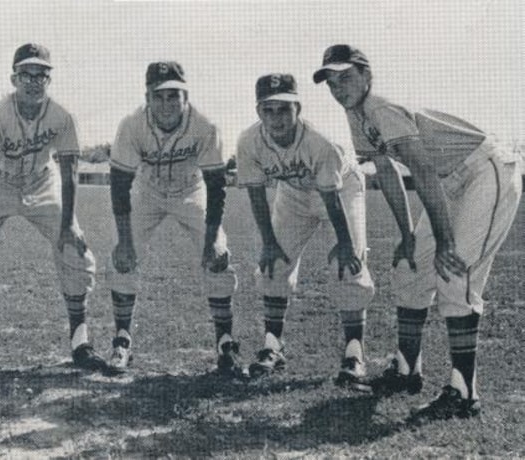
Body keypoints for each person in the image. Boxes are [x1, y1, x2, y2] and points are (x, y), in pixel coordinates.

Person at [314, 44, 522, 422]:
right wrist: (408, 234)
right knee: (410, 269)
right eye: (330, 81)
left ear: (366, 74)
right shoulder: (356, 113)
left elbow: (422, 171)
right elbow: (388, 173)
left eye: (345, 77)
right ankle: (407, 370)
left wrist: (444, 241)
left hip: (486, 171)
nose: (338, 88)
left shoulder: (380, 106)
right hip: (452, 183)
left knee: (454, 273)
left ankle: (463, 393)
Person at [0, 43, 106, 371]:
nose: (34, 81)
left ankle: (80, 340)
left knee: (75, 249)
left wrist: (68, 224)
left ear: (49, 80)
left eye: (41, 75)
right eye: (27, 74)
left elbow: (70, 172)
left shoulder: (62, 116)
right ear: (14, 78)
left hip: (42, 181)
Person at [236, 73, 374, 389]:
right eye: (268, 110)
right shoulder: (249, 141)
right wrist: (268, 242)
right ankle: (273, 346)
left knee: (347, 265)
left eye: (284, 109)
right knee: (272, 263)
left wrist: (344, 243)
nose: (276, 118)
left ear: (298, 108)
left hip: (342, 191)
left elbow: (331, 199)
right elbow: (256, 195)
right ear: (258, 112)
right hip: (293, 193)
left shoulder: (321, 142)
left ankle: (355, 353)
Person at [105, 61, 244, 377]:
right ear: (147, 96)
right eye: (159, 96)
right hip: (147, 191)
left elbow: (216, 187)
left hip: (190, 190)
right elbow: (119, 185)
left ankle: (225, 343)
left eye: (174, 96)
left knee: (220, 256)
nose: (166, 104)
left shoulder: (205, 125)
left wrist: (210, 241)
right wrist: (125, 242)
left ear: (186, 96)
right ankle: (122, 340)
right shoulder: (131, 125)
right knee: (120, 257)